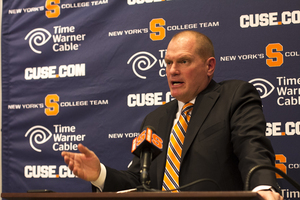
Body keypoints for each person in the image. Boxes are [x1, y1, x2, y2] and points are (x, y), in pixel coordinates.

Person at [62, 30, 283, 200]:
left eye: (183, 61)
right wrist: (98, 174)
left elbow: (252, 148)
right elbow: (139, 181)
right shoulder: (155, 119)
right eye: (168, 62)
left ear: (209, 66)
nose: (172, 70)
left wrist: (263, 188)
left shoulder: (234, 96)